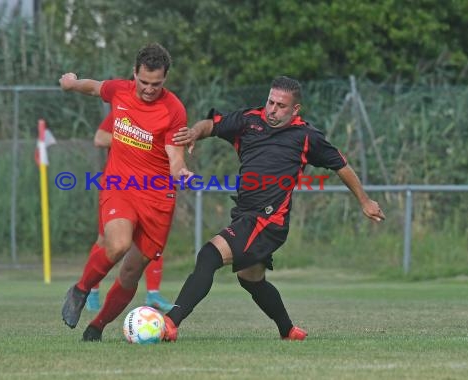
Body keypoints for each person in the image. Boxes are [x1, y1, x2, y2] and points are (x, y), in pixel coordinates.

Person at [164, 76, 386, 342]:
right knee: (251, 278)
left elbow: (341, 165)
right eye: (270, 102)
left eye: (281, 105)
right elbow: (212, 125)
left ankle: (169, 322)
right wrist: (194, 133)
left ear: (295, 110)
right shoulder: (249, 120)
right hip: (246, 215)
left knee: (209, 256)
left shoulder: (306, 136)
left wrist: (364, 200)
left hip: (269, 220)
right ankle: (289, 331)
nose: (272, 109)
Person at [59, 42, 192, 342]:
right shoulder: (120, 90)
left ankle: (98, 326)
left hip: (157, 199)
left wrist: (181, 171)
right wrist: (71, 83)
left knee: (131, 272)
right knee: (117, 244)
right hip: (120, 186)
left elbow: (175, 155)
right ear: (134, 73)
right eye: (144, 82)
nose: (148, 89)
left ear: (165, 79)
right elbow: (94, 87)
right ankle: (81, 290)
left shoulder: (174, 110)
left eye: (156, 84)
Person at [86, 112, 174, 313]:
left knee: (152, 242)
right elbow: (100, 138)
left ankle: (153, 294)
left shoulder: (162, 116)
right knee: (106, 240)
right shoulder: (121, 113)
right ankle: (91, 291)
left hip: (151, 187)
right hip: (119, 187)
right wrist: (138, 140)